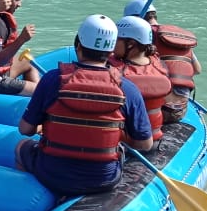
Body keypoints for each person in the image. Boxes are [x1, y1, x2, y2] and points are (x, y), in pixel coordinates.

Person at [15, 14, 153, 198]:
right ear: (111, 52)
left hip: (52, 174)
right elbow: (145, 144)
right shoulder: (128, 89)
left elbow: (25, 129)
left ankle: (33, 200)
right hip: (104, 178)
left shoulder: (51, 80)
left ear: (78, 45)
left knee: (21, 146)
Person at [122, 0, 202, 123]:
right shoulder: (176, 36)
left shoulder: (143, 37)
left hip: (158, 110)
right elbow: (197, 70)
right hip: (181, 110)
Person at [110, 15, 172, 145]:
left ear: (131, 44)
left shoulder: (116, 72)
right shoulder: (159, 65)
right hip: (154, 138)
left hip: (129, 141)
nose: (112, 43)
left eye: (116, 40)